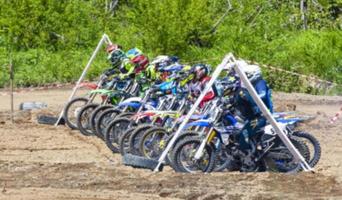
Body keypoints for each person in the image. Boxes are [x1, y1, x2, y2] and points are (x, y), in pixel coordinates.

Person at [229, 60, 273, 150]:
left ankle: (248, 152)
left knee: (245, 132)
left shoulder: (260, 82)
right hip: (255, 114)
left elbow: (262, 95)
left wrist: (248, 97)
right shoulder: (251, 84)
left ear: (254, 74)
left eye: (247, 75)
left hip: (263, 114)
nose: (245, 77)